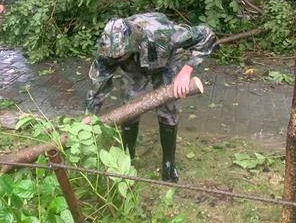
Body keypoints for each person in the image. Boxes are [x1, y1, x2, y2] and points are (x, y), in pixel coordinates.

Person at [85, 12, 216, 181]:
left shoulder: (165, 33)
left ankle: (168, 163)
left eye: (119, 55)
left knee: (168, 111)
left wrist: (187, 70)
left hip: (165, 62)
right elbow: (99, 81)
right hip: (132, 69)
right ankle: (128, 159)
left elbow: (207, 36)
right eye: (113, 56)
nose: (115, 58)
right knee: (129, 110)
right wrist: (90, 113)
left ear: (133, 43)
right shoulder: (108, 48)